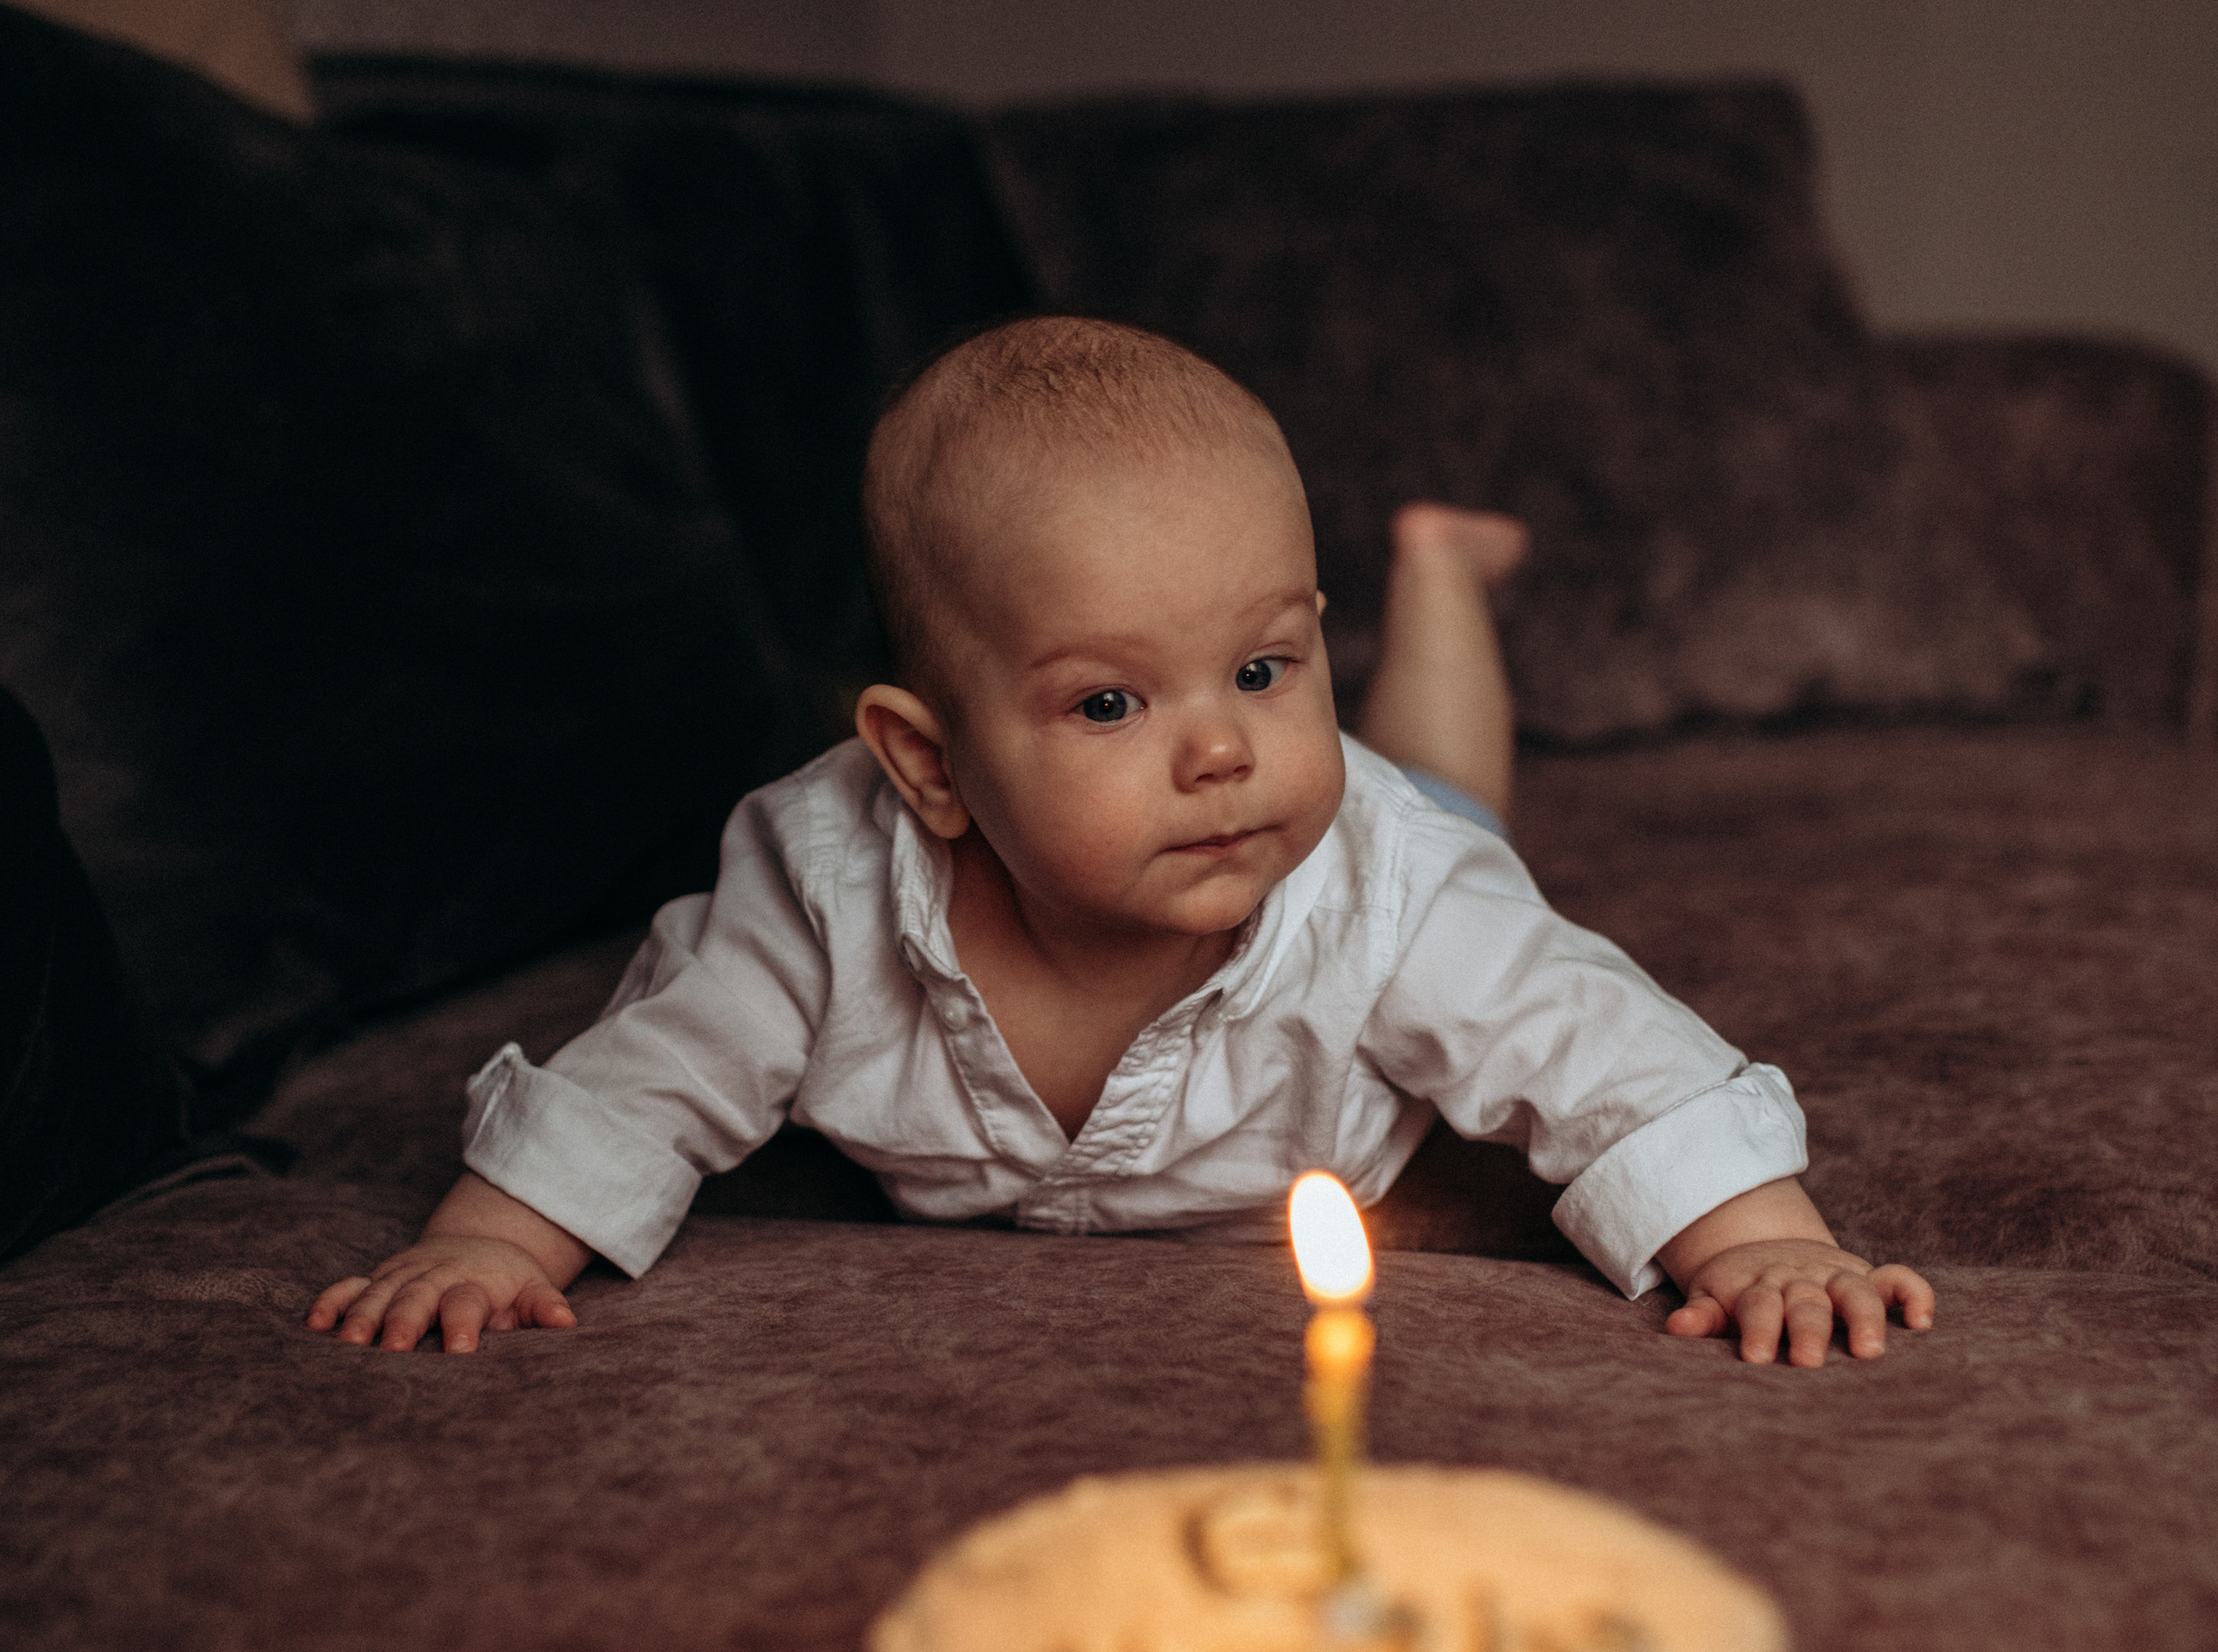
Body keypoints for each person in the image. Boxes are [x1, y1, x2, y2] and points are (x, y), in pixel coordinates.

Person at [308, 316, 1936, 1367]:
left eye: (1262, 668)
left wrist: (1770, 1246)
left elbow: (1605, 1051)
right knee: (1406, 786)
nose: (1222, 747)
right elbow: (650, 1070)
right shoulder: (818, 887)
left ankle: (1437, 575)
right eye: (1108, 705)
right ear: (928, 764)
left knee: (1444, 795)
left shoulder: (1382, 884)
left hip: (1411, 834)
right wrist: (484, 1243)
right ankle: (1410, 587)